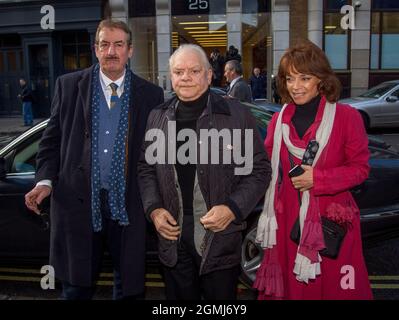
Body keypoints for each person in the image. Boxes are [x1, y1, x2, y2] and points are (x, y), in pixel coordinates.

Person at [24, 19, 164, 300]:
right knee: (76, 288)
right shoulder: (69, 86)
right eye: (105, 44)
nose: (111, 51)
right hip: (78, 205)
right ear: (95, 49)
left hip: (129, 206)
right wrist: (45, 181)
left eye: (118, 44)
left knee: (129, 289)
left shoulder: (151, 95)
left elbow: (156, 154)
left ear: (130, 50)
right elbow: (50, 143)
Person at [137, 44, 271, 300]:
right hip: (172, 239)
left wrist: (232, 209)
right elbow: (145, 168)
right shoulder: (158, 116)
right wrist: (153, 209)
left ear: (209, 75)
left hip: (220, 239)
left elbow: (260, 170)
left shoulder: (236, 114)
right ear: (171, 76)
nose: (185, 77)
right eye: (178, 72)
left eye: (194, 71)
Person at [254, 40, 373, 300]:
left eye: (304, 78)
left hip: (331, 222)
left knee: (333, 289)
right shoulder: (278, 120)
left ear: (321, 79)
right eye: (289, 78)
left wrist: (317, 179)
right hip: (286, 221)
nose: (295, 87)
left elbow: (360, 169)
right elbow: (264, 165)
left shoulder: (346, 117)